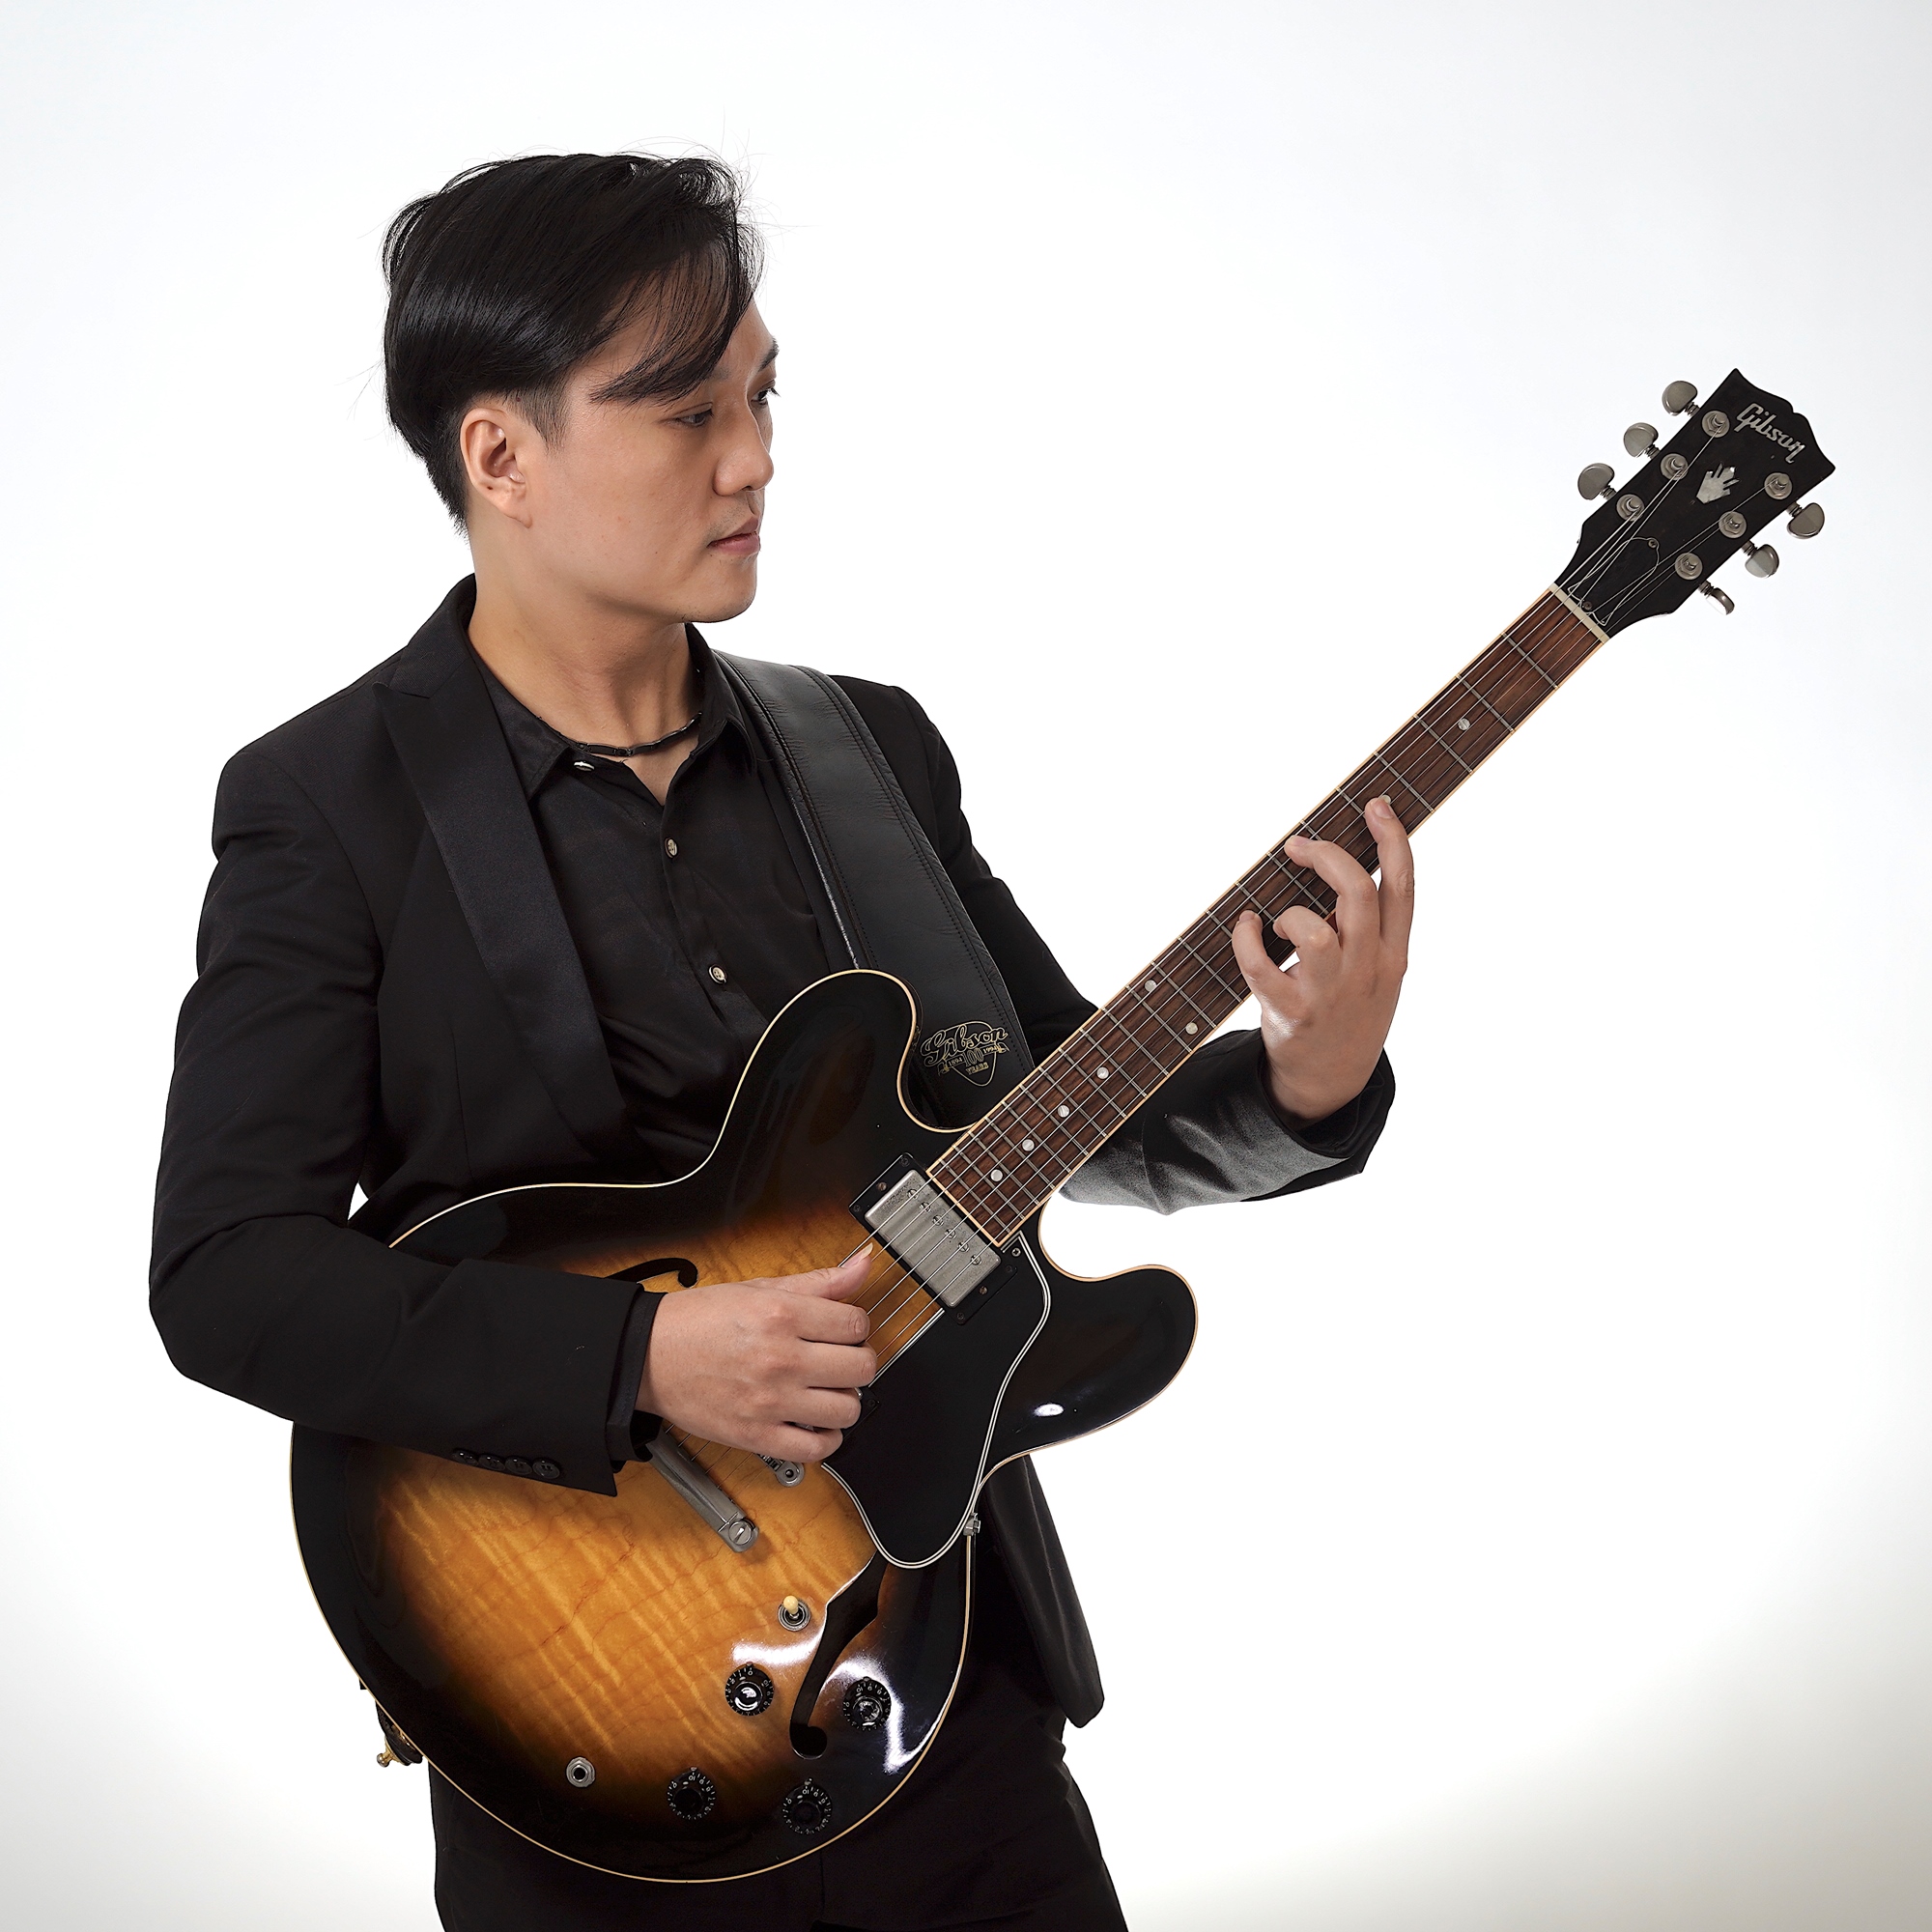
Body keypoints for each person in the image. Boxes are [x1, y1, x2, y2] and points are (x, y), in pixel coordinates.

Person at [150, 152, 1411, 1932]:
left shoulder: (868, 751)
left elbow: (1051, 1105)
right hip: (587, 1706)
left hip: (943, 1686)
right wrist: (641, 1358)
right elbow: (227, 1276)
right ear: (500, 456)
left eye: (762, 398)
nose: (753, 460)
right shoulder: (328, 804)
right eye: (688, 414)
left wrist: (1306, 1080)